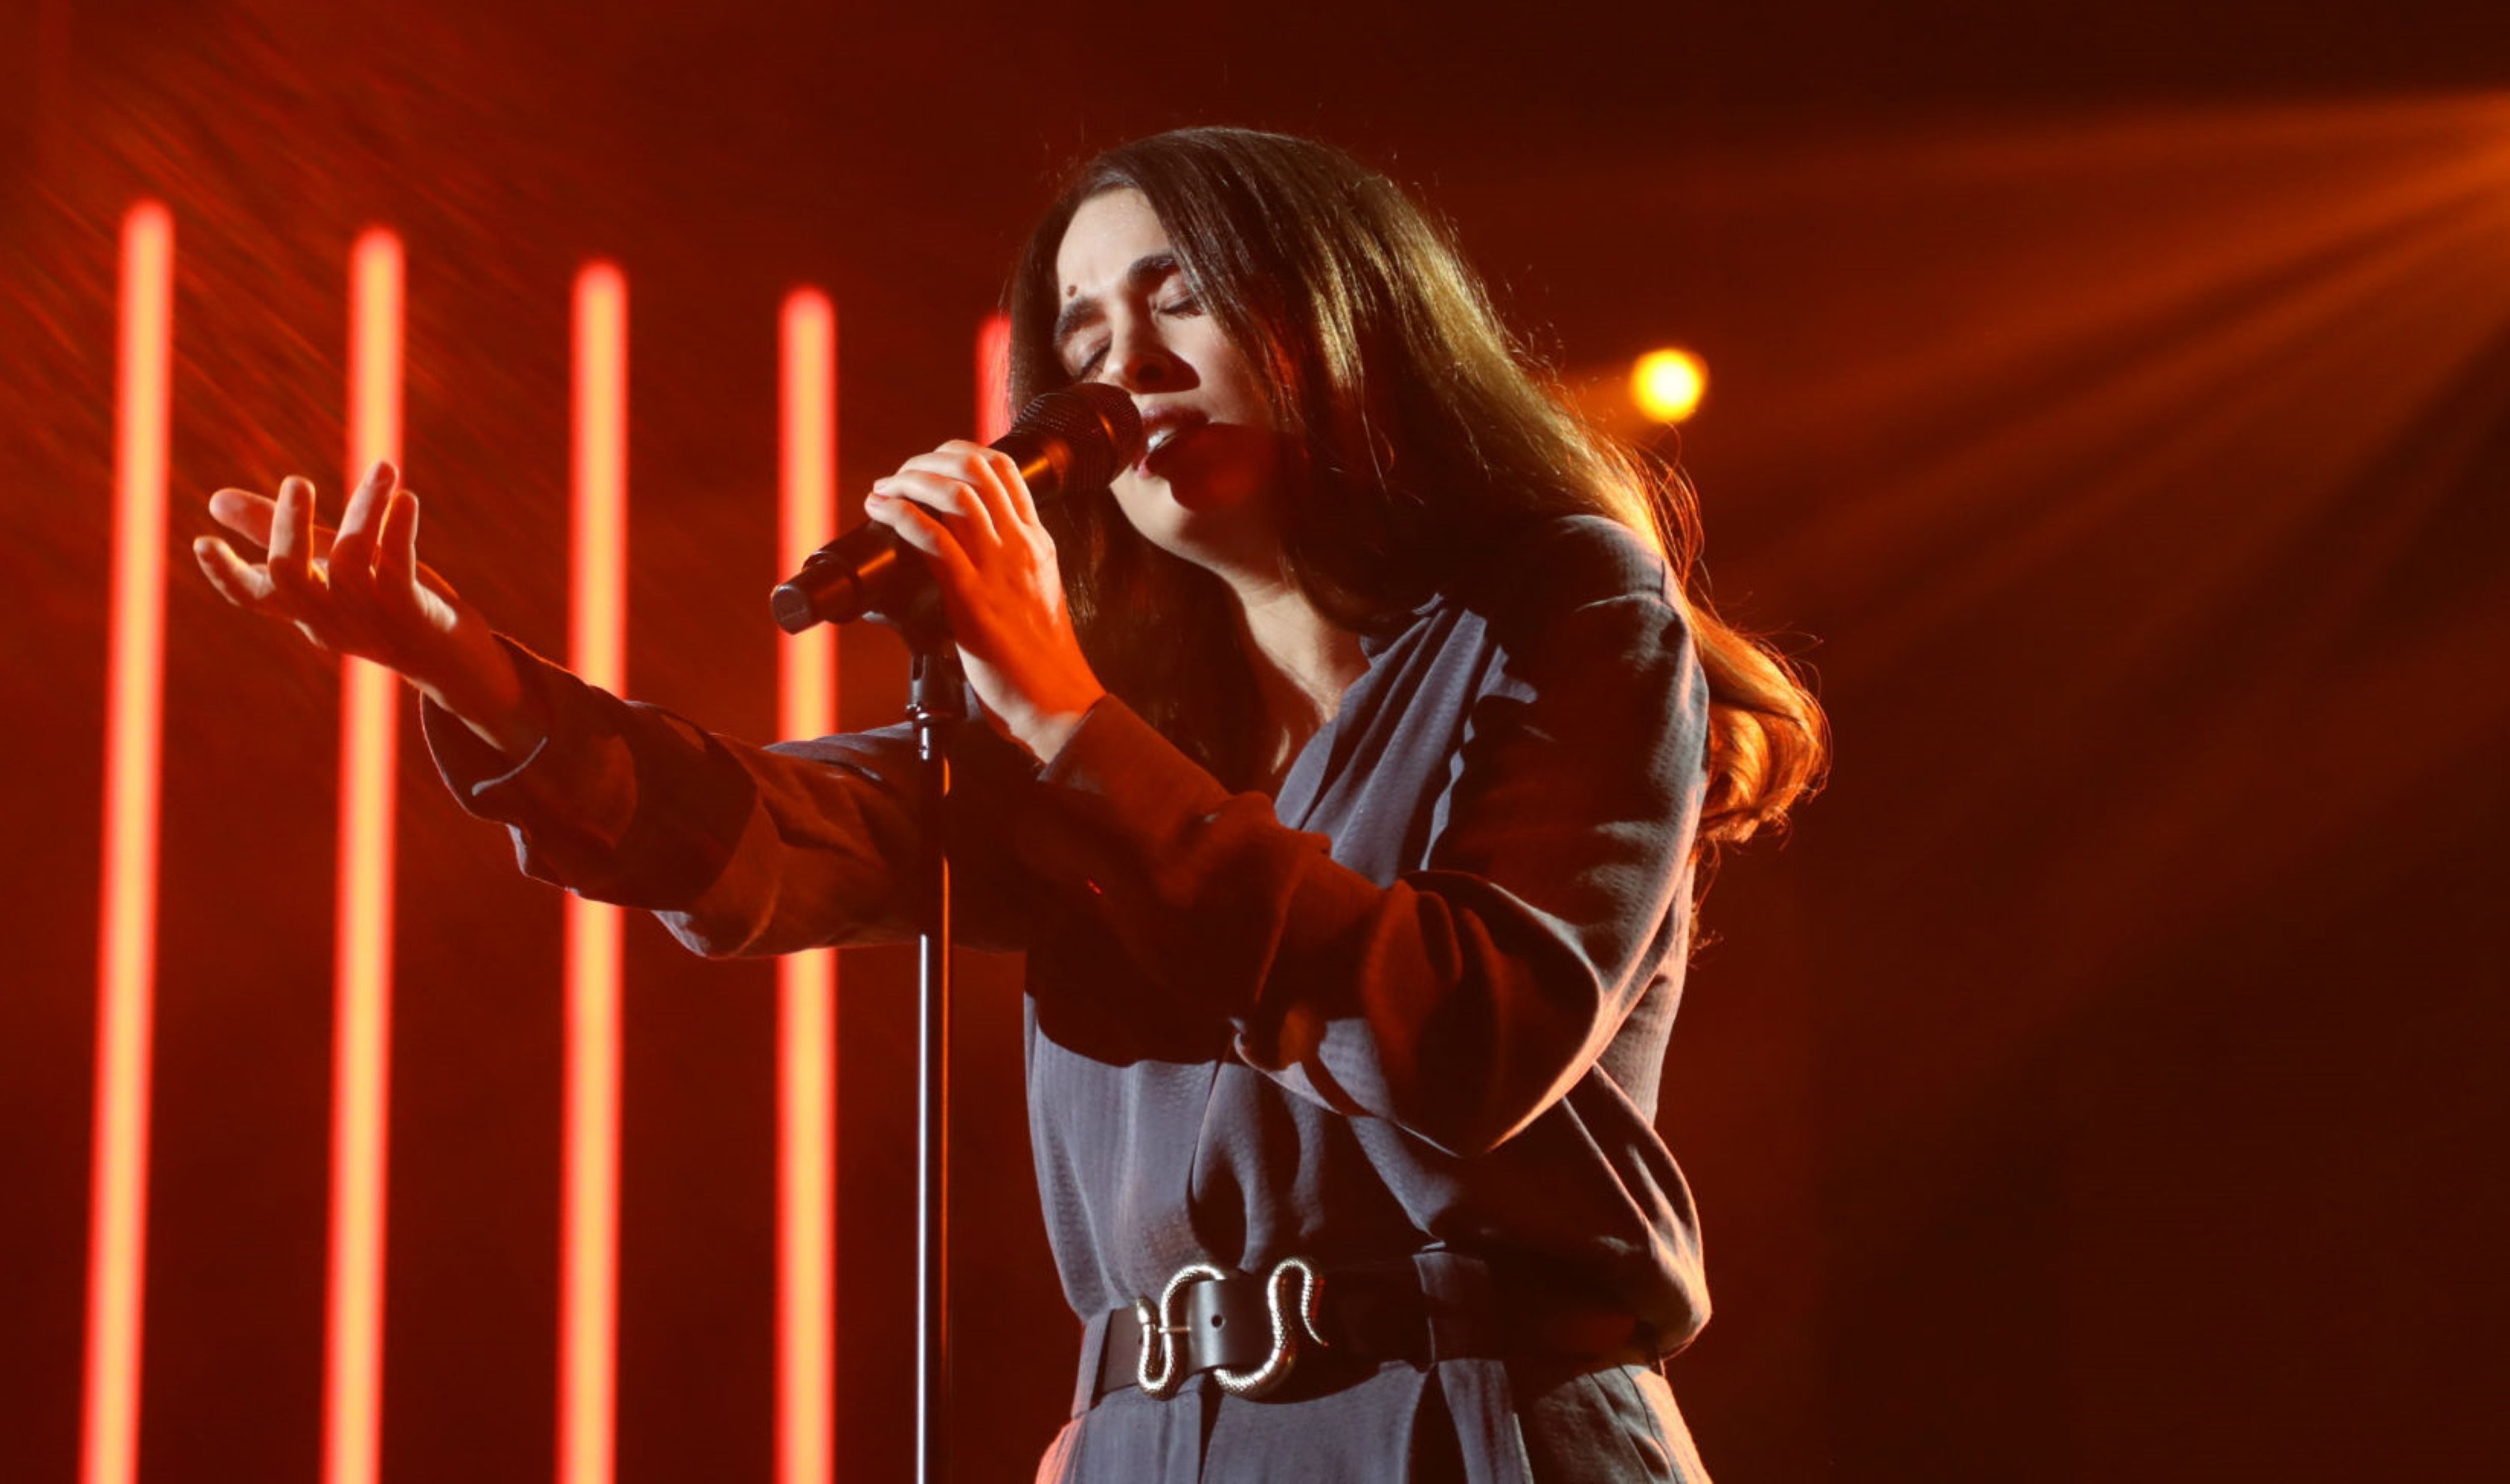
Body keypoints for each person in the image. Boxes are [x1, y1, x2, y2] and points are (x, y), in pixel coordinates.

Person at [193, 128, 1825, 1482]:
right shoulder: (1105, 731)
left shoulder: (1556, 610)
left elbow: (1458, 1041)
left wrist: (1054, 699)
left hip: (1459, 1426)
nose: (1116, 374)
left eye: (1171, 298)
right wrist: (458, 664)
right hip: (1141, 1444)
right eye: (1081, 334)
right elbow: (761, 837)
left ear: (1344, 316)